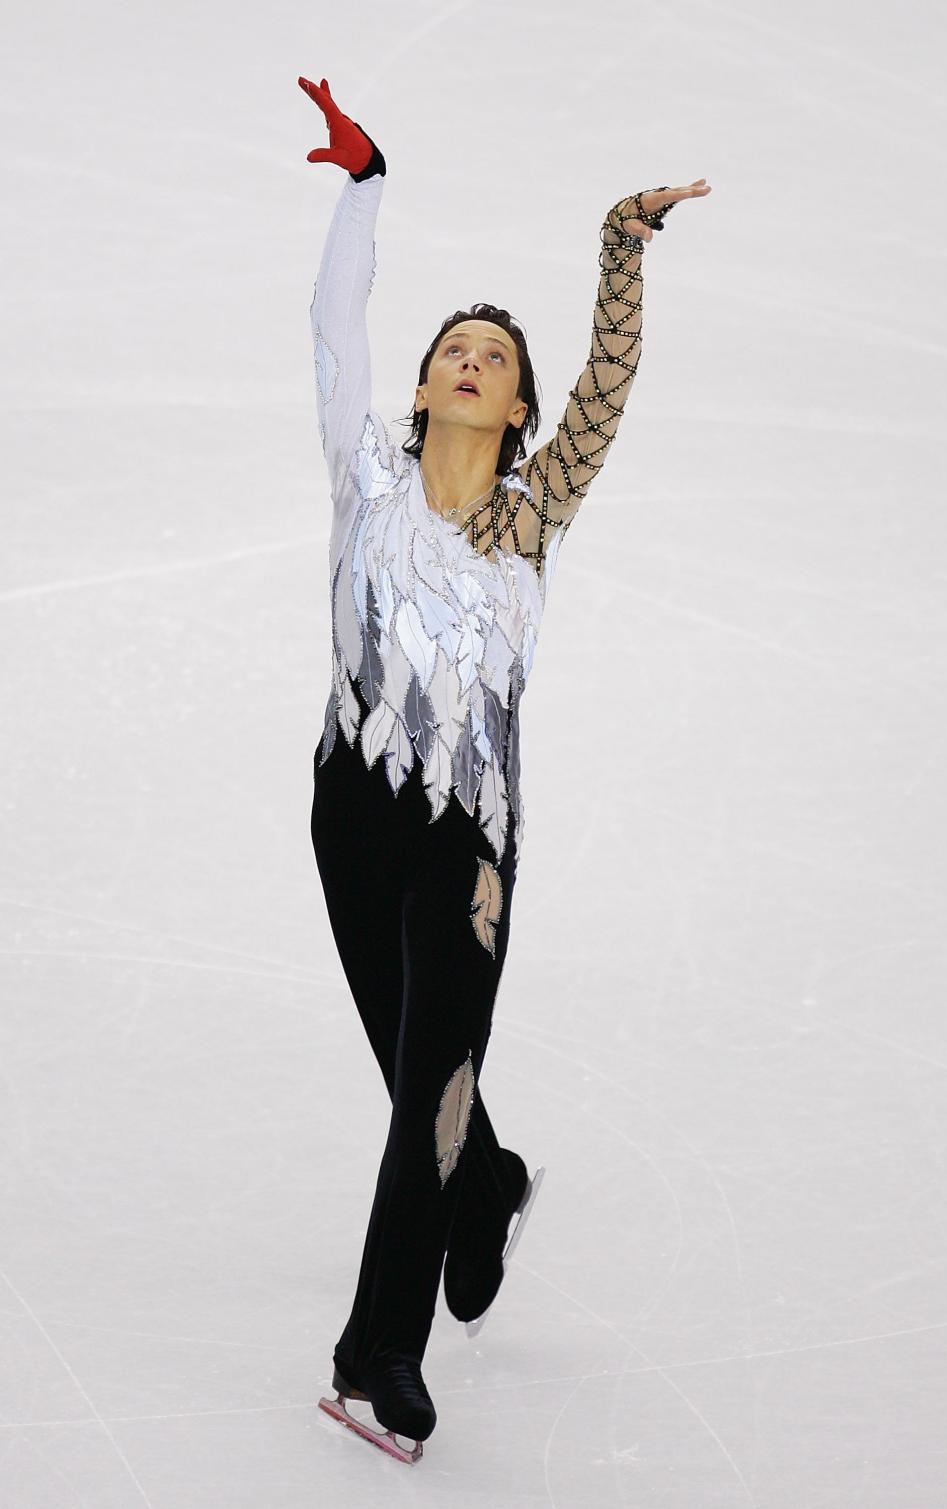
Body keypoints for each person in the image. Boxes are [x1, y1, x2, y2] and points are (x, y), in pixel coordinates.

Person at [299, 73, 711, 1463]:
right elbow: (331, 325)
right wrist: (366, 187)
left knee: (431, 1088)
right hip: (350, 813)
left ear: (520, 400)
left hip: (467, 844)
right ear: (421, 386)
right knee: (411, 1072)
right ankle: (485, 1196)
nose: (470, 360)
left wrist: (619, 249)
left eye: (495, 354)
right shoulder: (362, 472)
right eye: (452, 348)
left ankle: (378, 1353)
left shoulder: (535, 520)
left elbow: (610, 383)